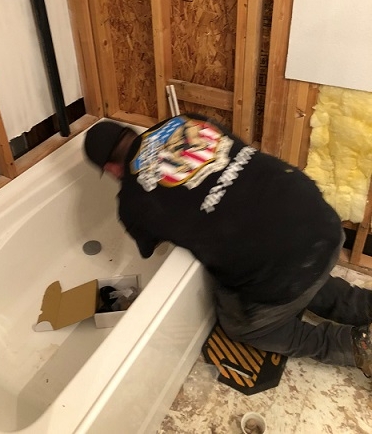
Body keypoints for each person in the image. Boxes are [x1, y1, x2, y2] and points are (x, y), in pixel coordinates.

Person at [84, 113, 372, 377]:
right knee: (296, 266)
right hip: (321, 221)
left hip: (285, 262)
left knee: (247, 325)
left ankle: (356, 345)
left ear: (110, 168)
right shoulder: (185, 120)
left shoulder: (131, 202)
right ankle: (364, 305)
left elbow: (151, 249)